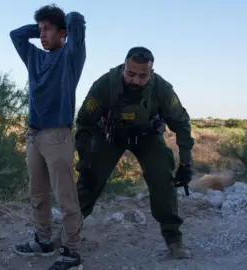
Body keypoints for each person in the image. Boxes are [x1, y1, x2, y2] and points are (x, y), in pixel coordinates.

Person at [74, 46, 194, 259]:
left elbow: (182, 123)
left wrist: (186, 164)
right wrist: (85, 159)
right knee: (89, 180)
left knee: (162, 178)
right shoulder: (104, 85)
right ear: (124, 67)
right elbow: (84, 123)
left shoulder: (161, 88)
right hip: (110, 135)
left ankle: (174, 238)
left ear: (151, 72)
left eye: (142, 76)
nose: (136, 80)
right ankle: (68, 234)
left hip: (148, 136)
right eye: (131, 74)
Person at [9, 4, 86, 269]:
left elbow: (77, 20)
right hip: (34, 135)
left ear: (63, 32)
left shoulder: (70, 57)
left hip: (57, 137)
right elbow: (16, 34)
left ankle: (72, 252)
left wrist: (61, 24)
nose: (41, 36)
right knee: (38, 194)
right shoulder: (34, 57)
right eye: (39, 30)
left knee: (65, 197)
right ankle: (43, 241)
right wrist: (43, 25)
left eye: (47, 30)